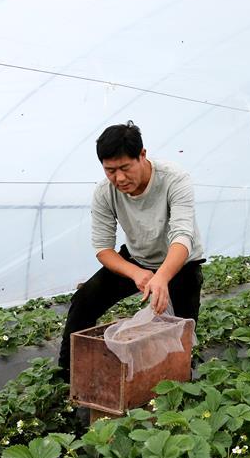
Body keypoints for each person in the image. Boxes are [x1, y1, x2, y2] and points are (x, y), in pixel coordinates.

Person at [57, 121, 205, 380]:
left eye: (125, 168)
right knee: (83, 303)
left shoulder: (174, 179)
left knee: (180, 327)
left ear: (143, 155)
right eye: (110, 170)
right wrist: (137, 273)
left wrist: (162, 277)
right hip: (136, 258)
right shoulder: (105, 192)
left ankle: (180, 378)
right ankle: (66, 374)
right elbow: (103, 248)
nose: (119, 178)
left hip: (180, 263)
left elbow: (182, 236)